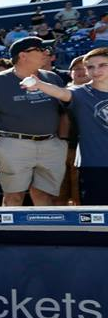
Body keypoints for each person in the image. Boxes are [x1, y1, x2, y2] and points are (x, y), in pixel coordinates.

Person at [0, 37, 68, 207]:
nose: (46, 53)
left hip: (51, 144)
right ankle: (8, 234)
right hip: (13, 145)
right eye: (40, 50)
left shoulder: (52, 78)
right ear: (23, 56)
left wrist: (62, 140)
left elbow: (63, 112)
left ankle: (45, 233)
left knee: (45, 197)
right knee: (13, 197)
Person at [21, 48, 108, 205]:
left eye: (102, 65)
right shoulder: (80, 93)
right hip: (94, 165)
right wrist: (39, 84)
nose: (96, 70)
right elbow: (61, 93)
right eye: (90, 67)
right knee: (97, 216)